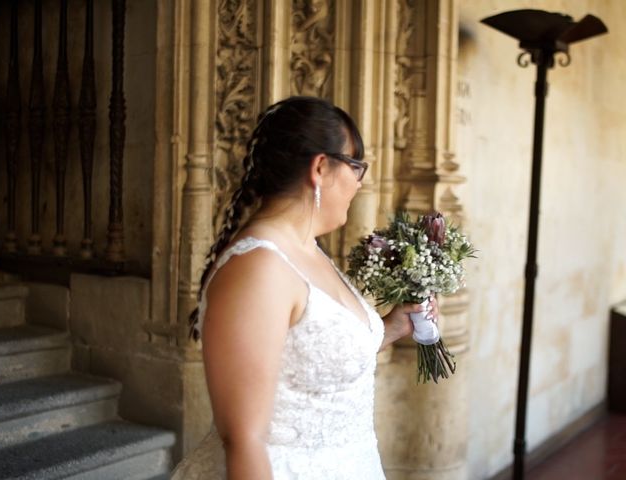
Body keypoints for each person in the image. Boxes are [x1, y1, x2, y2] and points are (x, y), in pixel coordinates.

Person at [171, 96, 438, 479]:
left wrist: (393, 327)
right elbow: (244, 439)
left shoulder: (309, 250)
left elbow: (307, 360)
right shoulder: (258, 268)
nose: (360, 182)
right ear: (320, 167)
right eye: (356, 166)